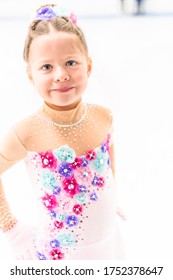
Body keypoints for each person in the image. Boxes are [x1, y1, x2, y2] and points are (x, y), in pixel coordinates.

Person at [0, 3, 125, 260]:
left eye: (71, 62)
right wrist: (10, 227)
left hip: (108, 246)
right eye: (46, 67)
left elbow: (109, 147)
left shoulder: (104, 116)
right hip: (59, 258)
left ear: (88, 66)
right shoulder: (26, 132)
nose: (61, 75)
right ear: (30, 75)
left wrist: (110, 198)